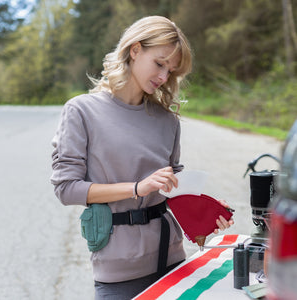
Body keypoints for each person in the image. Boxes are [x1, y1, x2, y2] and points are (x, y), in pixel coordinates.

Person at [50, 15, 233, 300]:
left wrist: (205, 212)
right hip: (118, 270)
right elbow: (66, 188)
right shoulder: (81, 111)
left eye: (170, 71)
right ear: (135, 50)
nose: (163, 77)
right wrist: (137, 188)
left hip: (172, 260)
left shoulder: (167, 121)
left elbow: (175, 188)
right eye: (159, 63)